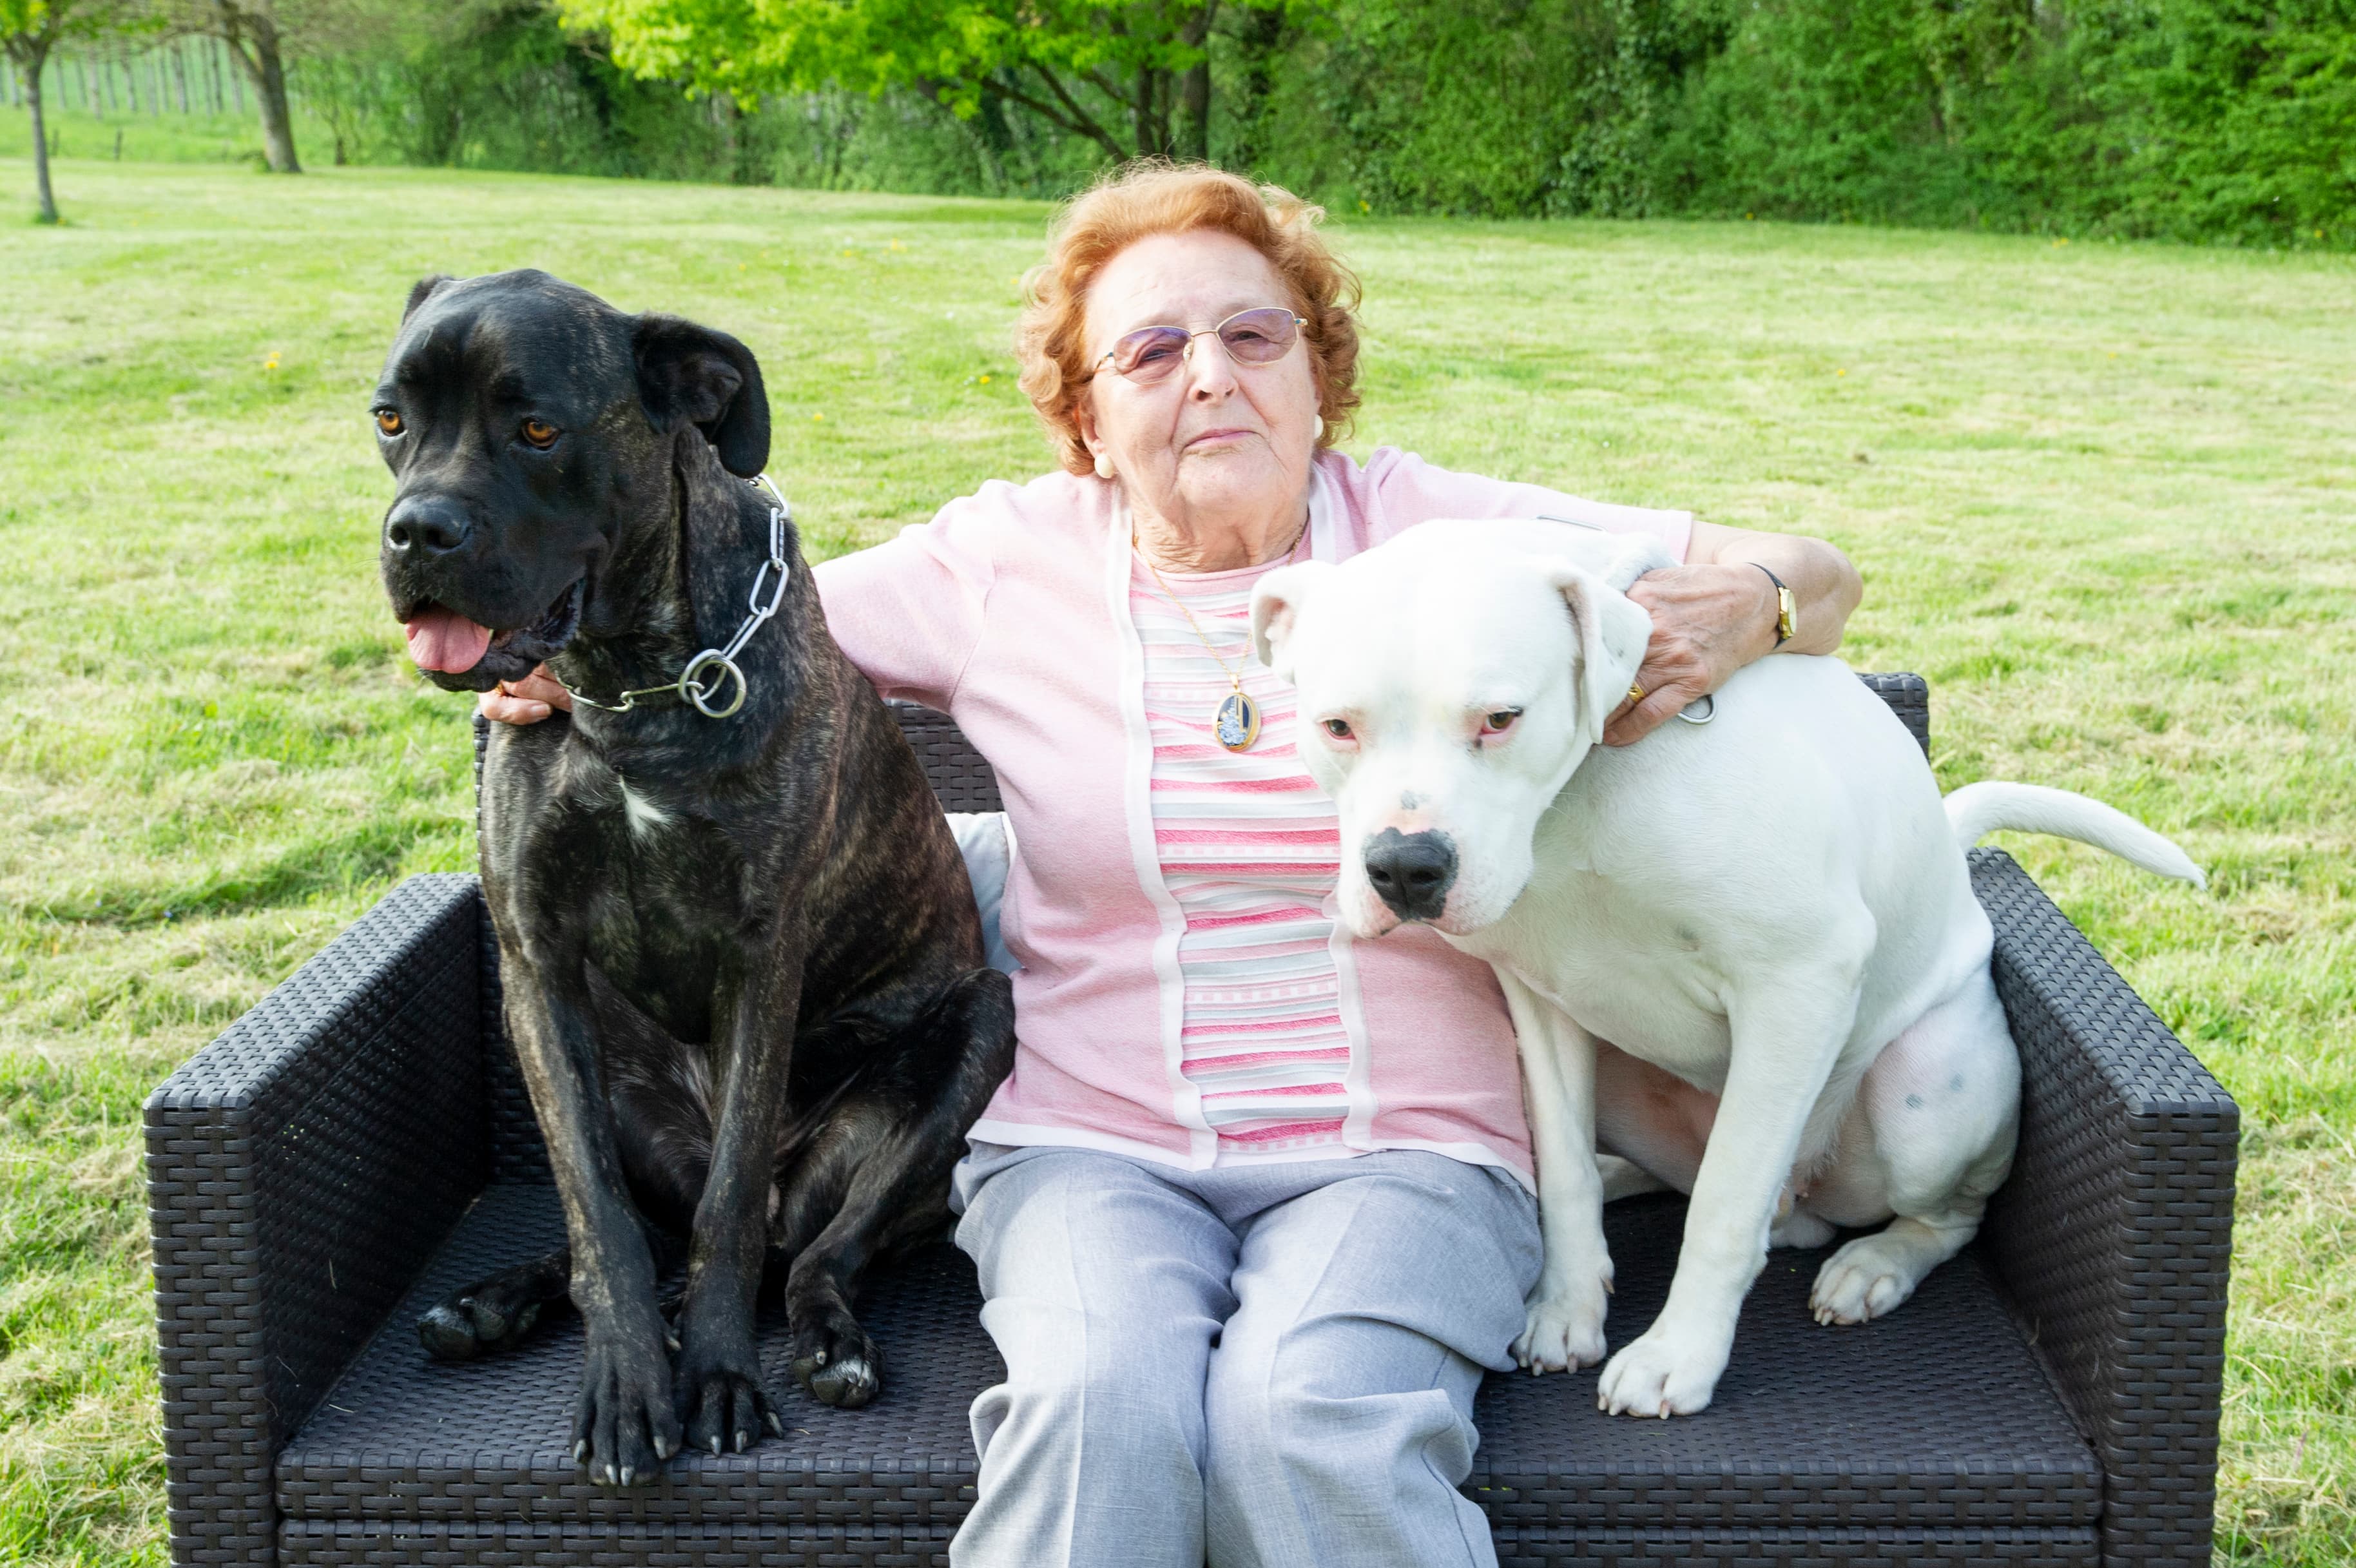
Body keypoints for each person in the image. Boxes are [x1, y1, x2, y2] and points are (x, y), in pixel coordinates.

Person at [482, 162, 1861, 1568]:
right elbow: (741, 615)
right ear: (1084, 414)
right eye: (1149, 350)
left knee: (1307, 1415)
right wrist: (566, 653)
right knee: (1094, 1415)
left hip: (1408, 1143)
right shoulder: (1001, 562)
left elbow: (1815, 565)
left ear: (1318, 377)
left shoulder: (1441, 541)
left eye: (1254, 337)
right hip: (1088, 1144)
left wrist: (1752, 602)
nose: (1210, 375)